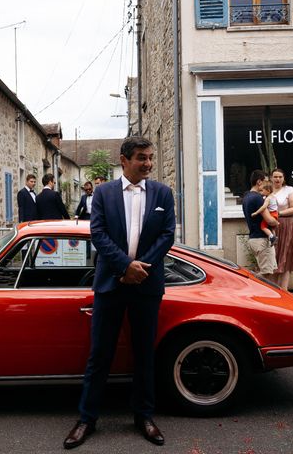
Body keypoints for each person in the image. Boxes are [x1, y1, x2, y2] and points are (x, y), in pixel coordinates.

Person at [63, 137, 175, 449]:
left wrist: (142, 268)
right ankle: (87, 419)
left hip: (147, 285)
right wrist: (125, 266)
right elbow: (97, 233)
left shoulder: (163, 193)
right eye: (142, 157)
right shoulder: (103, 193)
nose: (148, 163)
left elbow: (167, 235)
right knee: (100, 355)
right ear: (124, 160)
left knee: (144, 354)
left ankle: (144, 416)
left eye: (150, 157)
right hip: (111, 285)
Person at [242, 170, 279, 280]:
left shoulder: (246, 197)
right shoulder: (258, 198)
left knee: (267, 272)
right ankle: (250, 288)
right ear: (259, 182)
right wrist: (276, 222)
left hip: (254, 238)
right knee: (266, 275)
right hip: (262, 239)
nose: (268, 184)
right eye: (266, 181)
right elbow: (269, 220)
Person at [271, 168, 293, 290]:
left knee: (285, 257)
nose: (277, 179)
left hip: (287, 225)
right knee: (273, 258)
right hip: (271, 226)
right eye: (275, 177)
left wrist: (279, 214)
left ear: (284, 178)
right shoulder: (267, 190)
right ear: (271, 178)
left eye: (280, 177)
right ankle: (273, 289)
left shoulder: (289, 190)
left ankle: (284, 289)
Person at [251, 179, 278, 246]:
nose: (261, 192)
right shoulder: (273, 196)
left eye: (262, 191)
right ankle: (274, 238)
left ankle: (272, 237)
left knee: (263, 227)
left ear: (268, 191)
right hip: (275, 213)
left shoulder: (268, 199)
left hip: (271, 214)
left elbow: (263, 208)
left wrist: (256, 213)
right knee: (271, 228)